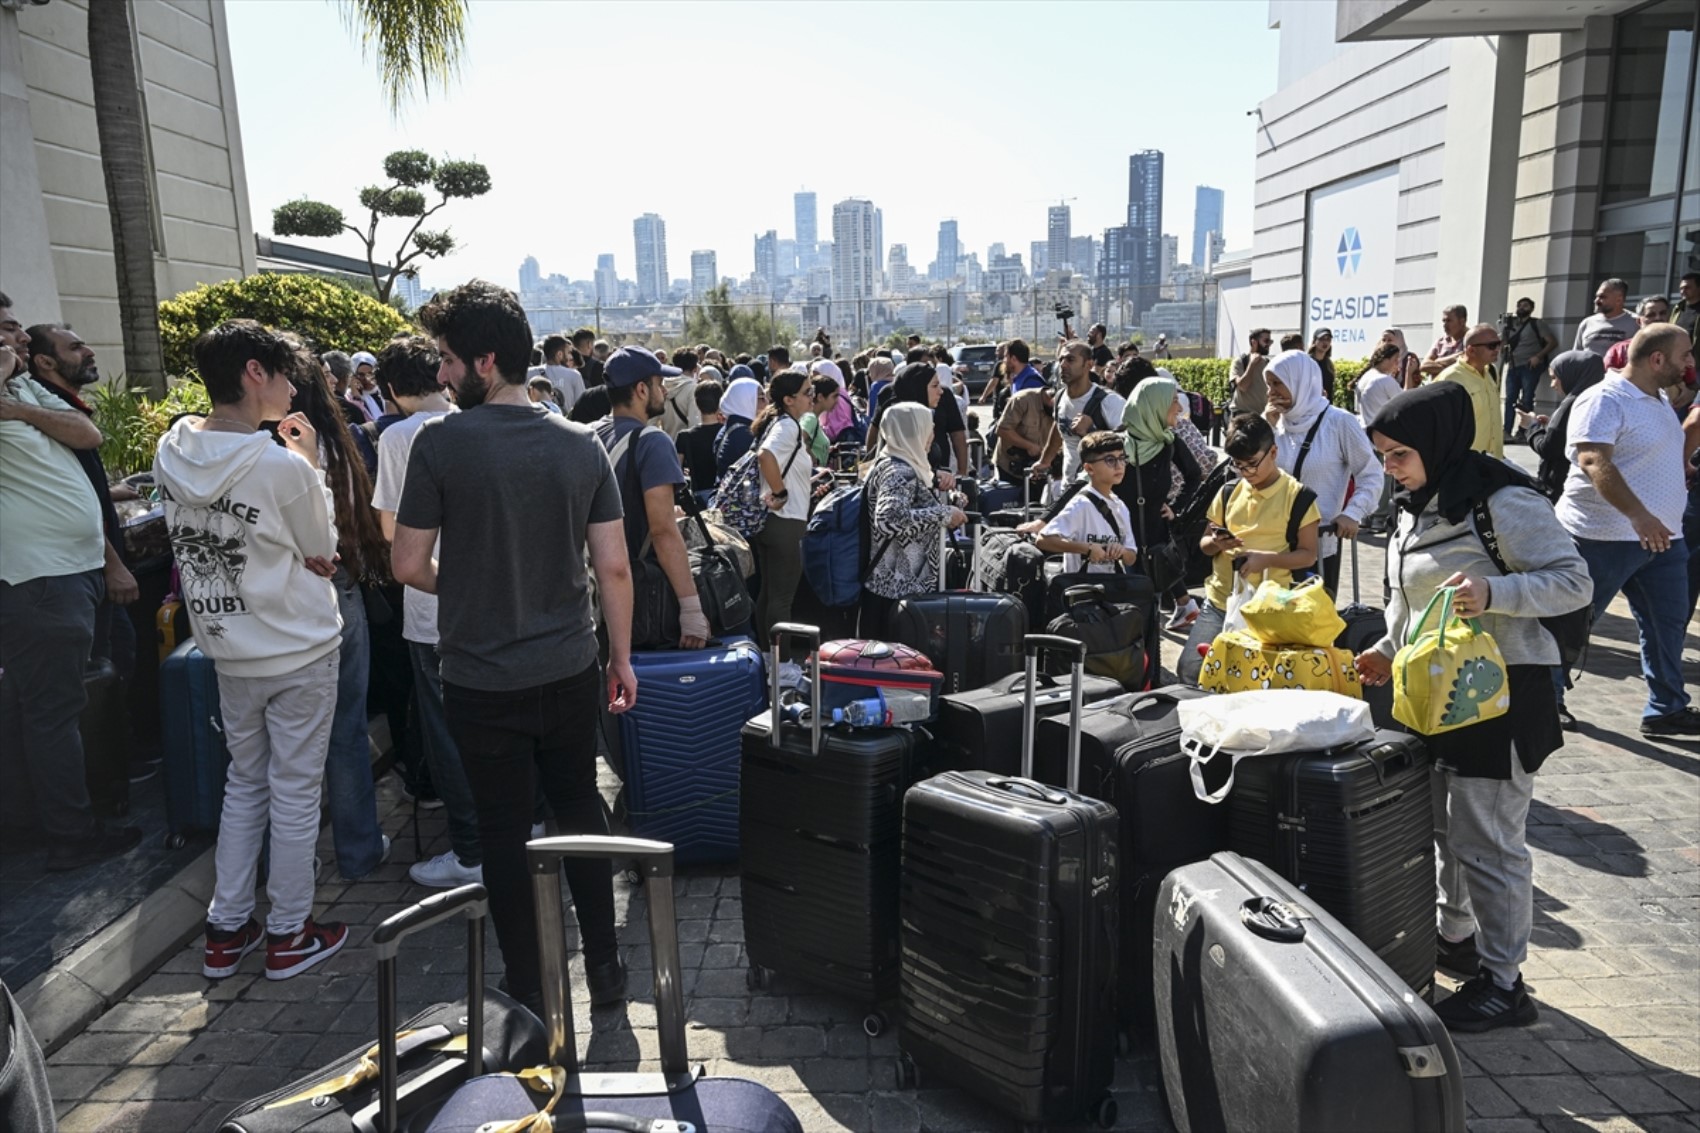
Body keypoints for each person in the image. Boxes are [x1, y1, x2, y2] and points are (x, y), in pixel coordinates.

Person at [392, 280, 636, 1013]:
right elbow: (614, 566)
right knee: (579, 807)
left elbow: (406, 564)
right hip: (568, 665)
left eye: (445, 359)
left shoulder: (440, 445)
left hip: (477, 676)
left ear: (484, 359)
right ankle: (608, 968)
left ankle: (528, 981)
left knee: (503, 829)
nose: (439, 375)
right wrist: (621, 657)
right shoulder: (580, 442)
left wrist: (469, 590)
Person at [1355, 382, 1591, 1033]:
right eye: (1382, 454)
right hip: (1435, 698)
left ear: (1437, 443)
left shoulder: (1505, 500)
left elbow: (1576, 582)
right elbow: (1412, 604)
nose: (1388, 469)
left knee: (1489, 841)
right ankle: (1455, 936)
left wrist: (1496, 592)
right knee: (1441, 828)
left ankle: (1504, 982)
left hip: (1504, 699)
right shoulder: (1415, 504)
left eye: (1399, 454)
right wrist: (1384, 646)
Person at [153, 320, 347, 979]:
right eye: (286, 372)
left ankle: (225, 928)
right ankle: (289, 932)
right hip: (296, 643)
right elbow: (324, 548)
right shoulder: (279, 464)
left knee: (245, 781)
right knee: (293, 789)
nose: (294, 386)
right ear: (255, 373)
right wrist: (312, 467)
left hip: (228, 645)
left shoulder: (172, 448)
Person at [0, 295, 144, 871]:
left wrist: (21, 409)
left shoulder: (21, 393)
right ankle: (69, 834)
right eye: (7, 328)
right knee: (51, 712)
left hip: (74, 569)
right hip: (38, 578)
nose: (17, 340)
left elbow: (86, 435)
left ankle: (37, 822)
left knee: (45, 708)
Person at [370, 335, 483, 888]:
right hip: (488, 600)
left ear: (390, 389)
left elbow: (393, 533)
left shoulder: (399, 437)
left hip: (430, 606)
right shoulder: (475, 422)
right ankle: (520, 825)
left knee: (446, 731)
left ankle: (470, 849)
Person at [279, 337, 393, 883]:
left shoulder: (249, 448)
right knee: (346, 730)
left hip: (275, 600)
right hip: (339, 587)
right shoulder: (335, 442)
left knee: (273, 746)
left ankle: (283, 867)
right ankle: (358, 848)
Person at [1556, 324, 1696, 739]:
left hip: (1665, 540)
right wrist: (1639, 515)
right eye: (1685, 355)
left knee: (1667, 625)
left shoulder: (1659, 398)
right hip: (1601, 538)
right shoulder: (1604, 397)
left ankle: (1666, 708)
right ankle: (1544, 701)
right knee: (1571, 624)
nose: (1690, 363)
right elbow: (1594, 461)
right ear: (1657, 359)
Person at [23, 325, 143, 735]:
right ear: (45, 362)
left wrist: (114, 492)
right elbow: (65, 497)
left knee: (118, 662)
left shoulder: (56, 407)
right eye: (75, 347)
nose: (89, 351)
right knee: (101, 675)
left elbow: (80, 483)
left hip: (90, 567)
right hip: (80, 572)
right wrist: (113, 566)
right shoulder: (48, 410)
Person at [1178, 413, 1321, 685]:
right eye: (1239, 466)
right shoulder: (1228, 491)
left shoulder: (1299, 496)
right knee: (1191, 669)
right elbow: (1205, 545)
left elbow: (1308, 554)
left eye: (1253, 464)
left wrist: (1266, 560)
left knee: (1257, 680)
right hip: (1221, 601)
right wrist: (1217, 542)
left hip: (1272, 608)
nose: (1247, 473)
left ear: (1274, 452)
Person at [595, 345, 710, 651]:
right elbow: (662, 531)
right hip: (639, 593)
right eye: (660, 384)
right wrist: (691, 609)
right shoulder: (653, 442)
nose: (665, 392)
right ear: (642, 390)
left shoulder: (590, 434)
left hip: (595, 597)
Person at [1265, 350, 1384, 594]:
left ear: (1300, 381)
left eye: (1278, 383)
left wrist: (1353, 512)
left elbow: (1371, 474)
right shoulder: (1273, 423)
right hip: (1269, 545)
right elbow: (1245, 473)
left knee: (1310, 625)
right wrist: (1263, 429)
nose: (1270, 392)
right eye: (1268, 385)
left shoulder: (1339, 423)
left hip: (1318, 546)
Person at [859, 403, 969, 634]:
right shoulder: (900, 472)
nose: (932, 436)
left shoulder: (890, 462)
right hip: (897, 591)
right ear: (913, 431)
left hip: (888, 587)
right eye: (928, 428)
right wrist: (944, 514)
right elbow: (889, 519)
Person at [1116, 374, 1202, 627]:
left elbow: (1194, 475)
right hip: (1123, 543)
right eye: (1173, 400)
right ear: (1154, 405)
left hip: (1155, 539)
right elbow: (1085, 480)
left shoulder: (1167, 442)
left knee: (1146, 610)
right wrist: (1046, 519)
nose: (1180, 407)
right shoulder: (1118, 443)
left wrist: (1176, 509)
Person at [748, 369, 814, 646]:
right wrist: (782, 492)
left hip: (774, 521)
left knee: (770, 594)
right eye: (807, 393)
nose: (812, 398)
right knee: (782, 598)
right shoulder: (788, 426)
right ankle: (782, 666)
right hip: (784, 520)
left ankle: (768, 658)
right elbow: (766, 456)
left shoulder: (778, 422)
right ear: (789, 399)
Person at [1039, 429, 1142, 578]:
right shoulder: (1081, 504)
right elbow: (1043, 540)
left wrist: (1121, 551)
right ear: (1089, 468)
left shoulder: (1120, 506)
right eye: (1110, 460)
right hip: (1083, 591)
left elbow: (1131, 558)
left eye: (1122, 458)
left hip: (1112, 589)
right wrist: (1086, 548)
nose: (1119, 466)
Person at [1524, 350, 1605, 502]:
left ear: (1572, 374)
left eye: (1555, 378)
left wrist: (1531, 426)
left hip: (1560, 485)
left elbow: (1548, 448)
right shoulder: (1600, 400)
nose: (1552, 384)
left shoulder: (1572, 403)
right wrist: (1551, 424)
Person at [1053, 339, 1127, 485]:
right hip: (1069, 488)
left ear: (1089, 364)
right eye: (1061, 359)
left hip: (1100, 493)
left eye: (1070, 359)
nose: (1062, 365)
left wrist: (1092, 432)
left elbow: (1130, 443)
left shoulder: (1109, 401)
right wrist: (1044, 460)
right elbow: (1058, 429)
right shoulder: (1059, 397)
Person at [1356, 343, 1407, 533]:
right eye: (1395, 361)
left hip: (1365, 434)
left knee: (1368, 477)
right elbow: (1403, 404)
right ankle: (1380, 517)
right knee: (1385, 479)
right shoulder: (1385, 381)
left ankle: (1366, 516)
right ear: (1385, 360)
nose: (1397, 366)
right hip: (1384, 438)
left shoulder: (1365, 377)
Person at [1437, 325, 1505, 459]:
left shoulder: (1491, 372)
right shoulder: (1451, 378)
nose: (1497, 349)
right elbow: (1440, 425)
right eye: (1491, 346)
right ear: (1471, 350)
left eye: (1498, 344)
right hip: (1465, 464)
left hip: (1494, 461)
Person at [992, 378, 1059, 506]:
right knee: (1013, 504)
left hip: (1040, 470)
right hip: (1011, 466)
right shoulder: (1022, 400)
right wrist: (1029, 446)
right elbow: (1002, 430)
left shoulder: (1063, 409)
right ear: (1051, 396)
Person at [1498, 298, 1557, 441]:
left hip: (1529, 366)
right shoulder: (1510, 325)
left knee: (1527, 398)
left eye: (1525, 305)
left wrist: (1538, 356)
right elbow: (1502, 345)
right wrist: (1502, 329)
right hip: (1513, 365)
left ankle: (1524, 431)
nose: (1521, 308)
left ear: (1531, 308)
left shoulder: (1537, 324)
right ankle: (1506, 431)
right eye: (1519, 305)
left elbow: (1552, 342)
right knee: (1510, 399)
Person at [676, 379, 724, 506]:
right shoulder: (726, 433)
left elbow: (676, 472)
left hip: (699, 497)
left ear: (697, 404)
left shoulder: (684, 436)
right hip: (722, 494)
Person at [1573, 278, 1638, 357]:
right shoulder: (1587, 323)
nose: (1596, 301)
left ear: (1619, 300)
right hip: (1588, 369)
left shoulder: (1636, 322)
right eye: (1596, 297)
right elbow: (1576, 355)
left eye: (1602, 297)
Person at [714, 368, 760, 477]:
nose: (767, 403)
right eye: (761, 398)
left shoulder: (730, 426)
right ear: (744, 401)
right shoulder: (744, 434)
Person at [1228, 328, 1272, 417]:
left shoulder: (1268, 363)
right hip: (1242, 416)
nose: (1268, 345)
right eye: (1266, 341)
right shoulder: (1240, 361)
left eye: (1270, 342)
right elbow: (1243, 386)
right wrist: (1252, 364)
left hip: (1263, 416)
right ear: (1254, 342)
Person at [658, 349, 700, 441]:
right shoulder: (693, 389)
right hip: (685, 448)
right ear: (695, 368)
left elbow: (653, 421)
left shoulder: (662, 386)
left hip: (665, 443)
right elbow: (694, 422)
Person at [539, 334, 585, 413]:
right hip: (566, 423)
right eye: (568, 352)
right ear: (559, 354)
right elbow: (582, 405)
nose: (569, 356)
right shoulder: (574, 375)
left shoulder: (529, 373)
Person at [800, 374, 839, 466]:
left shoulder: (815, 418)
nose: (837, 401)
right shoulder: (810, 418)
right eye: (834, 396)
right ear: (820, 397)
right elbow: (798, 439)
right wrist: (812, 457)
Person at [1421, 305, 1469, 378]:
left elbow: (1466, 365)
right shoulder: (1440, 342)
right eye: (1444, 321)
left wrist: (1435, 362)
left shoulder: (1472, 340)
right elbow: (1424, 365)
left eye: (1449, 321)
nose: (1444, 325)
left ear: (1462, 322)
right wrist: (1449, 367)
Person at [1309, 328, 1337, 403]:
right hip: (1311, 407)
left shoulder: (1329, 363)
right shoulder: (1308, 362)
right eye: (1322, 339)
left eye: (1328, 339)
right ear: (1314, 341)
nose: (1325, 342)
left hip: (1327, 407)